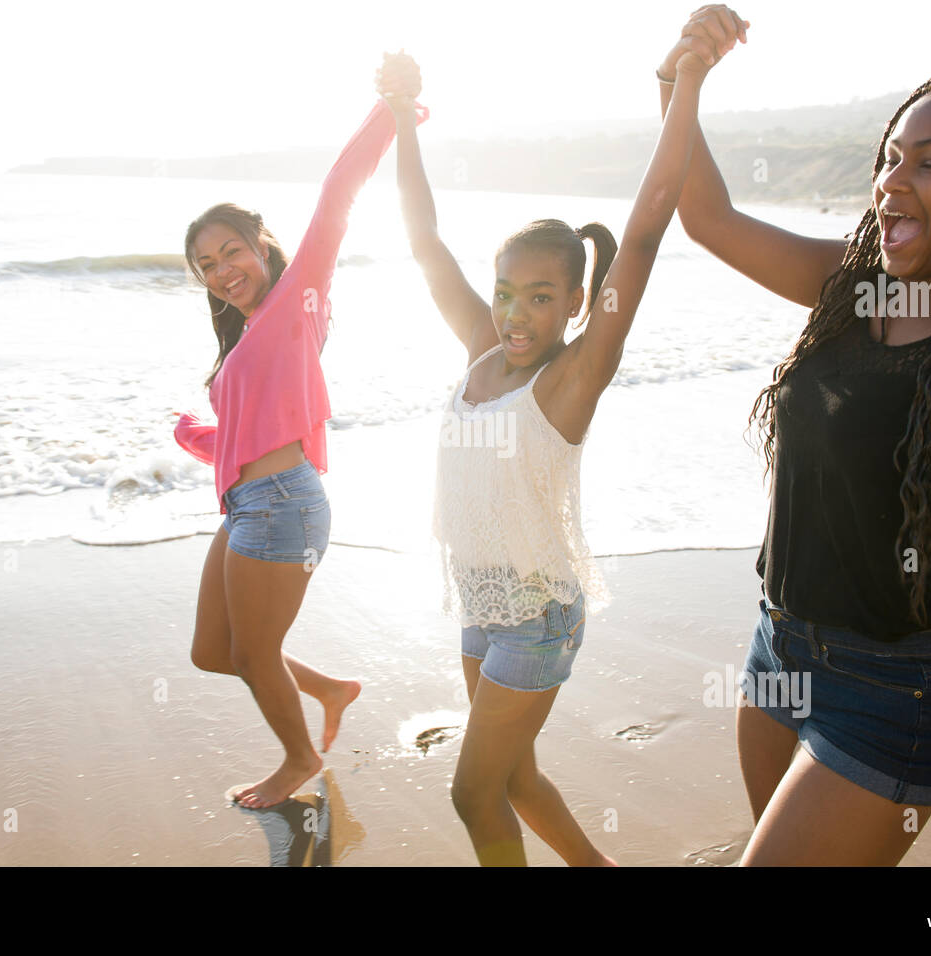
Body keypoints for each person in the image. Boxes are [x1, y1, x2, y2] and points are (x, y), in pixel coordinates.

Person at [663, 5, 931, 865]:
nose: (894, 181)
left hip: (897, 687)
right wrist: (680, 85)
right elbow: (705, 219)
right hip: (777, 648)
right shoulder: (849, 291)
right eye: (890, 157)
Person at [376, 38, 712, 865]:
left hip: (538, 618)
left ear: (573, 303)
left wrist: (683, 88)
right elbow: (424, 240)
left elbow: (639, 237)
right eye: (503, 294)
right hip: (482, 606)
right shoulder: (480, 354)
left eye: (538, 298)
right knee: (515, 782)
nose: (514, 314)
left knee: (471, 791)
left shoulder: (569, 380)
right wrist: (400, 120)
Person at [173, 91, 428, 810]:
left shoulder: (297, 298)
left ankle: (297, 761)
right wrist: (191, 433)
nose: (223, 270)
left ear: (260, 243)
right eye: (206, 265)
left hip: (283, 505)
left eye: (232, 251)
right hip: (250, 502)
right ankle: (328, 688)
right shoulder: (247, 337)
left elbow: (337, 193)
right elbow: (245, 438)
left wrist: (392, 108)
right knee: (212, 651)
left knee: (252, 656)